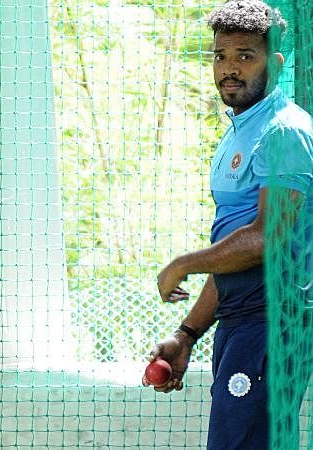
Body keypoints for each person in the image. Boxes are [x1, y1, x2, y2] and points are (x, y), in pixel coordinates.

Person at [148, 1, 313, 448]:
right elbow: (232, 254)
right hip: (240, 324)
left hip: (273, 325)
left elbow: (265, 238)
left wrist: (182, 264)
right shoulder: (240, 132)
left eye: (246, 56)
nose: (230, 69)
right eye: (221, 55)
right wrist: (187, 334)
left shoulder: (285, 131)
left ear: (275, 63)